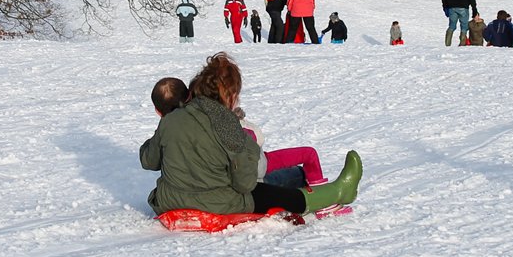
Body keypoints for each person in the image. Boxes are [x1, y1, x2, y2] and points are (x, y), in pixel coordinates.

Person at [139, 53, 362, 217]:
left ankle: (305, 181)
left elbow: (148, 160)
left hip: (168, 201)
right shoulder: (227, 124)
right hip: (214, 204)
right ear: (231, 95)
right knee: (270, 193)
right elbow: (245, 184)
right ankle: (338, 191)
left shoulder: (170, 120)